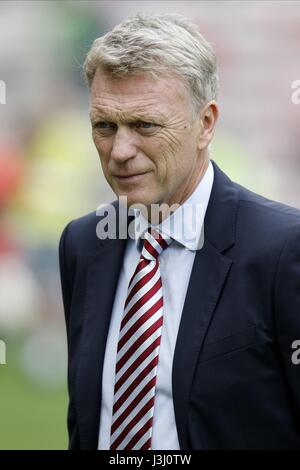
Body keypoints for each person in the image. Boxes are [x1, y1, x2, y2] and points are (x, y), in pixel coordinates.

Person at [59, 13, 300, 450]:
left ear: (205, 124)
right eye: (104, 126)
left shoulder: (284, 249)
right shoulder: (82, 244)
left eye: (145, 125)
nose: (120, 151)